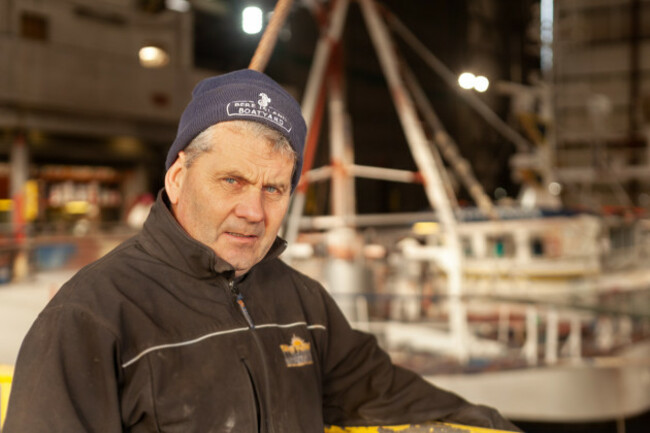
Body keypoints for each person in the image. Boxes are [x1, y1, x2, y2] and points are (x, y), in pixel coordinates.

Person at [3, 69, 521, 432]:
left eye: (274, 189)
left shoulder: (300, 303)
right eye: (232, 180)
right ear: (180, 177)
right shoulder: (91, 316)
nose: (255, 210)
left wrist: (494, 427)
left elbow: (384, 392)